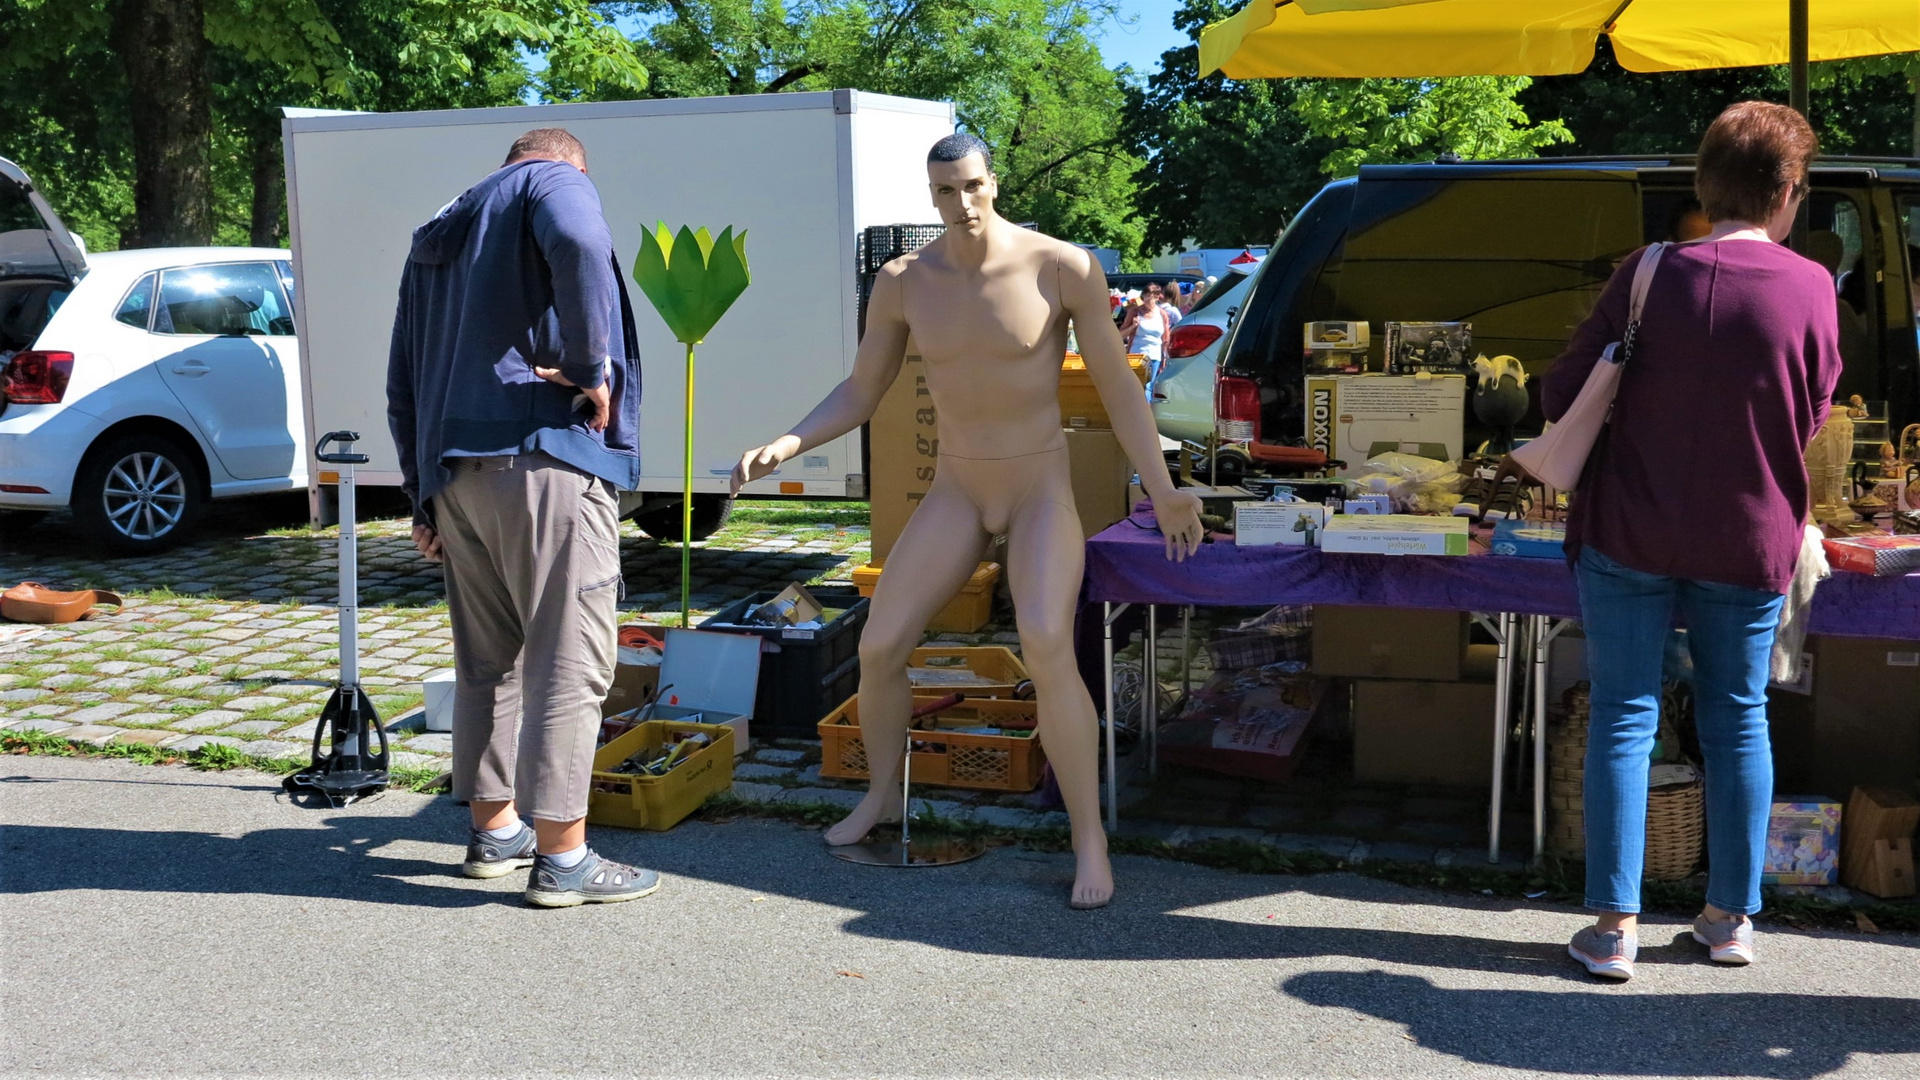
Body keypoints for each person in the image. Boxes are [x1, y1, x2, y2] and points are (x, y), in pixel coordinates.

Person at [731, 134, 1204, 909]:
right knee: (881, 643)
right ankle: (883, 795)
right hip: (956, 486)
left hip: (1037, 484)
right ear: (930, 195)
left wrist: (1164, 489)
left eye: (973, 185)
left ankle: (1088, 834)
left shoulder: (1062, 265)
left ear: (994, 180)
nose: (962, 203)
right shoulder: (904, 280)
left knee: (1048, 642)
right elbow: (861, 389)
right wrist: (788, 441)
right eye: (945, 191)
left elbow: (1120, 390)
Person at [1542, 102, 1843, 980]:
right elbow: (1814, 412)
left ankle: (1611, 929)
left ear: (1703, 189)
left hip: (1629, 526)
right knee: (1739, 719)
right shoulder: (1814, 287)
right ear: (1788, 193)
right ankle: (1728, 920)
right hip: (1750, 533)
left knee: (1624, 715)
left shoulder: (1647, 272)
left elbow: (1564, 392)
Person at [387, 127, 655, 908]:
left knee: (487, 664)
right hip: (544, 460)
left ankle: (493, 829)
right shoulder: (552, 183)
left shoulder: (444, 224)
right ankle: (564, 857)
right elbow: (577, 236)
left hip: (458, 474)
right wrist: (586, 362)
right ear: (569, 163)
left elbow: (403, 375)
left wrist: (422, 493)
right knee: (569, 661)